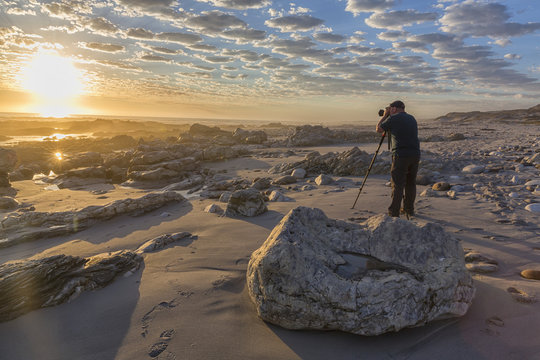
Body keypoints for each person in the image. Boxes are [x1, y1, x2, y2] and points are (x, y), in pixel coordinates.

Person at [376, 100, 420, 218]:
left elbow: (379, 129)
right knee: (411, 183)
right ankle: (409, 209)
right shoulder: (412, 118)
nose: (389, 110)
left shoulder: (393, 119)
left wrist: (385, 115)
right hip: (415, 154)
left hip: (401, 155)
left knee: (398, 184)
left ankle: (394, 212)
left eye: (390, 109)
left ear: (394, 109)